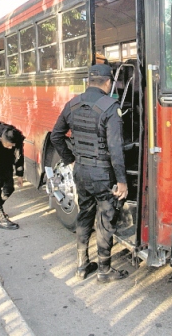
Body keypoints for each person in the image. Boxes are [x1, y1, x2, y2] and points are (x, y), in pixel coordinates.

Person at [50, 63, 129, 283]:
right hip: (103, 173)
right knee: (105, 220)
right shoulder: (110, 107)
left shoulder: (72, 104)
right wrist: (122, 181)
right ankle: (104, 270)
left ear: (88, 82)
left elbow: (56, 136)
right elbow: (115, 149)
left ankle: (82, 265)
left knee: (84, 214)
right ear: (107, 83)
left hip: (81, 170)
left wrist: (70, 160)